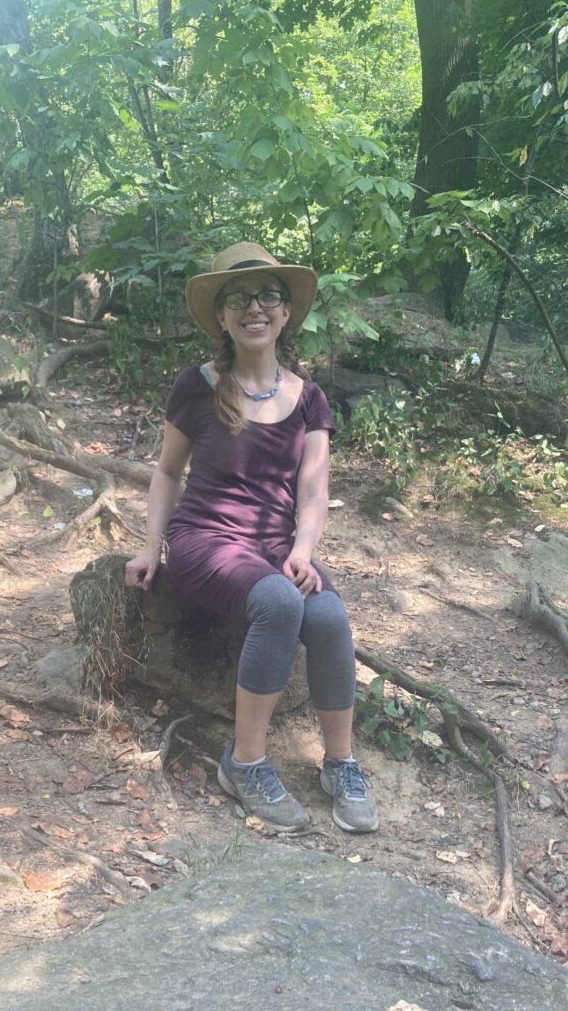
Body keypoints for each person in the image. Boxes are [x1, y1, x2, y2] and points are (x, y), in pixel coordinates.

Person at [125, 242, 378, 834]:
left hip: (275, 547)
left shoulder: (309, 399)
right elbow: (167, 472)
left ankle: (340, 763)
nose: (254, 308)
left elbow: (314, 493)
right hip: (205, 539)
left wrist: (302, 551)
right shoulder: (198, 386)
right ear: (221, 316)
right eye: (238, 299)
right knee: (280, 602)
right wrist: (148, 545)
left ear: (287, 312)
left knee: (330, 618)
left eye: (268, 296)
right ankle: (244, 764)